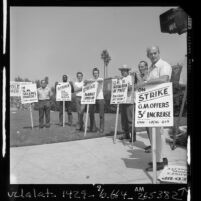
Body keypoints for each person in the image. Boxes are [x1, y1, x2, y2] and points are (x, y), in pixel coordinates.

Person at [136, 46, 172, 171]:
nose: (153, 55)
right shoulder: (151, 68)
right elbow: (147, 82)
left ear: (159, 53)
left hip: (160, 104)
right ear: (148, 55)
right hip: (152, 104)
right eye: (150, 54)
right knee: (157, 134)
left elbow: (164, 79)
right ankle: (161, 158)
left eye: (155, 53)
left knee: (157, 134)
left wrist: (145, 83)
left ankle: (159, 162)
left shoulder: (164, 65)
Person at [118, 64, 136, 141]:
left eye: (124, 70)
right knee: (123, 120)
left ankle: (133, 136)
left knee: (130, 120)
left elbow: (131, 88)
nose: (122, 72)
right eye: (121, 71)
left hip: (129, 101)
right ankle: (126, 134)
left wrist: (124, 84)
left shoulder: (131, 78)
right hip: (122, 101)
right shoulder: (120, 79)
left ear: (127, 71)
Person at [137, 61, 152, 153]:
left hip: (151, 104)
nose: (140, 68)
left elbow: (145, 84)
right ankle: (152, 144)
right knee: (147, 126)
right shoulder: (141, 76)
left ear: (146, 67)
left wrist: (139, 78)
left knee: (152, 127)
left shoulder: (149, 75)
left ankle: (155, 146)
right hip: (144, 104)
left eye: (142, 66)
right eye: (139, 67)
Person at [85, 67, 104, 133]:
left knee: (101, 115)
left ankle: (101, 128)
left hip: (100, 98)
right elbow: (86, 85)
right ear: (93, 74)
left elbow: (100, 81)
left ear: (98, 73)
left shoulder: (100, 79)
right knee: (91, 113)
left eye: (96, 73)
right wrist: (86, 82)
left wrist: (89, 81)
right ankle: (93, 127)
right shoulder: (91, 79)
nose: (95, 74)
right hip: (92, 99)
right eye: (94, 73)